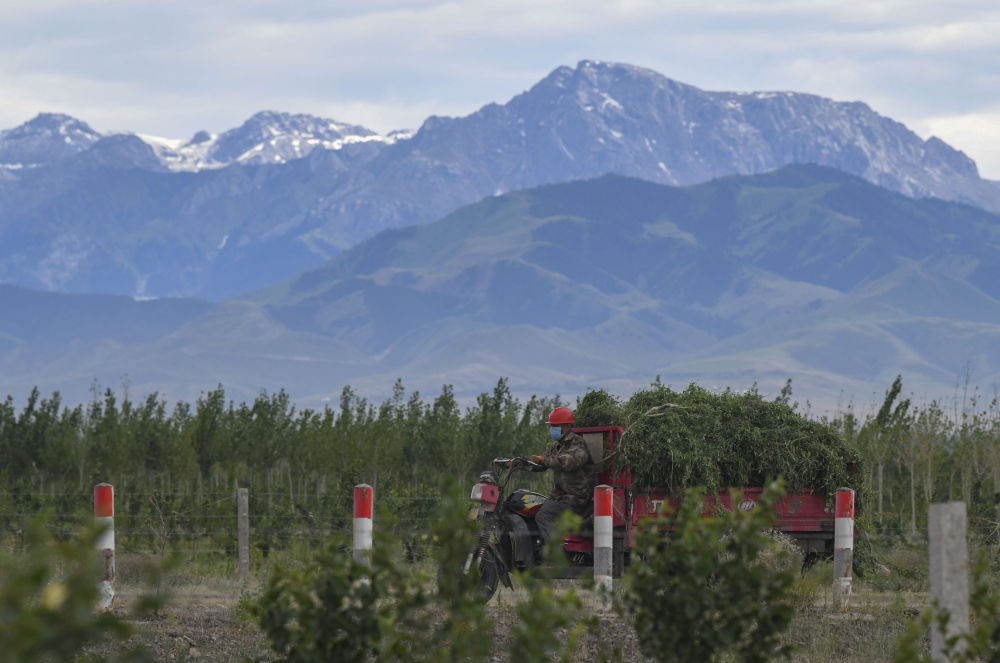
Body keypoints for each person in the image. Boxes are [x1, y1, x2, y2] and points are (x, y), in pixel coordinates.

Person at [532, 406, 597, 548]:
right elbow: (544, 460)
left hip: (576, 499)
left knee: (543, 516)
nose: (552, 429)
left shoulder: (577, 444)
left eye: (555, 425)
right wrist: (521, 462)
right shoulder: (557, 445)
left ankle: (554, 556)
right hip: (561, 497)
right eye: (552, 426)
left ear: (567, 426)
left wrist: (544, 461)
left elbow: (568, 462)